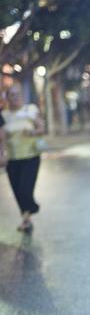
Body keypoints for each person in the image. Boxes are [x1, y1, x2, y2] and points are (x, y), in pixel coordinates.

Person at [1, 85, 45, 233]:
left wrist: (33, 131)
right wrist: (2, 154)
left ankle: (31, 209)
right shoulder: (4, 115)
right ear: (7, 98)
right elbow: (2, 137)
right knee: (17, 190)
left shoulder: (30, 110)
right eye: (12, 95)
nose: (15, 97)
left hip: (31, 156)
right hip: (12, 159)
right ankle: (26, 219)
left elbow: (41, 128)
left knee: (26, 189)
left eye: (18, 94)